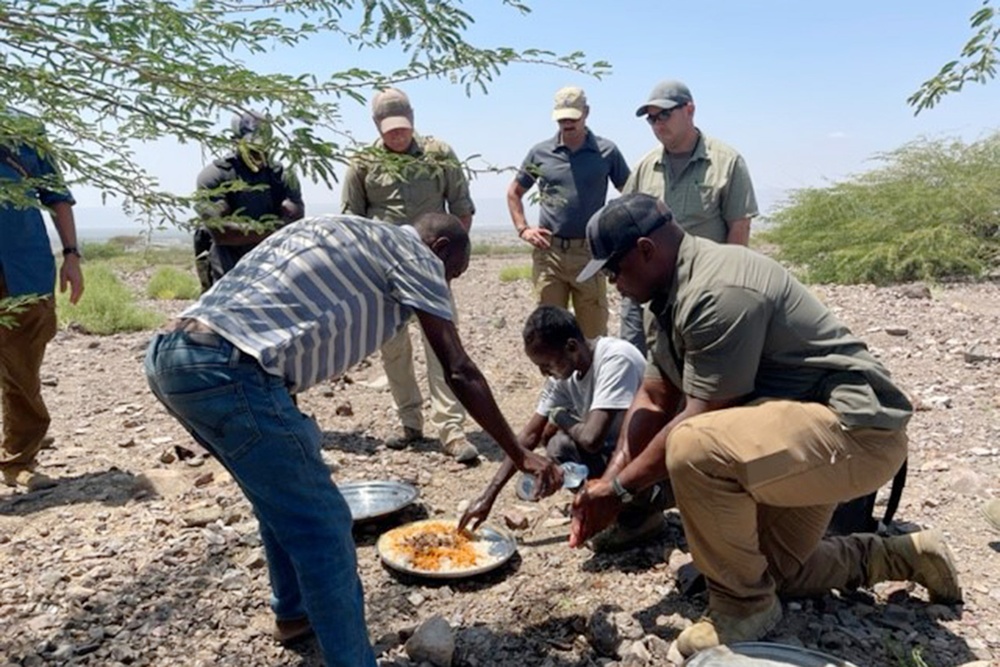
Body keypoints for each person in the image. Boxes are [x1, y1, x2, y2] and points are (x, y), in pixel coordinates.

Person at [144, 212, 563, 667]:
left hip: (175, 357)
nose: (446, 286)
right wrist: (517, 452)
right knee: (324, 524)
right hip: (229, 369)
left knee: (279, 499)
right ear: (439, 248)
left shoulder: (345, 228)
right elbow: (458, 368)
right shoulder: (416, 257)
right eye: (452, 273)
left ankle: (294, 614)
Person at [569, 194, 962, 658]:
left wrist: (620, 493)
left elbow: (702, 418)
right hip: (799, 441)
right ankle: (906, 554)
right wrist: (610, 479)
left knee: (692, 447)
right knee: (774, 572)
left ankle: (742, 608)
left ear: (645, 250)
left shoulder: (719, 290)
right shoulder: (667, 297)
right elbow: (654, 397)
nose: (614, 284)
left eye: (614, 270)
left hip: (855, 435)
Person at [341, 87, 479, 462]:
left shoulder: (439, 154)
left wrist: (450, 262)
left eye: (402, 127)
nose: (397, 135)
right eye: (389, 130)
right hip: (384, 275)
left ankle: (451, 431)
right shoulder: (363, 163)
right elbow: (351, 221)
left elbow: (462, 210)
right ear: (375, 125)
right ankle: (410, 424)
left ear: (413, 119)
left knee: (443, 349)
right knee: (394, 350)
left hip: (431, 271)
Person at [459, 305, 644, 531]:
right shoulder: (563, 377)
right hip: (614, 454)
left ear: (571, 347)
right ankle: (611, 509)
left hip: (649, 464)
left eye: (547, 365)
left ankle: (641, 515)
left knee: (565, 438)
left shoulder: (615, 359)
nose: (544, 373)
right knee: (558, 447)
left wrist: (561, 418)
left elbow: (591, 439)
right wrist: (489, 495)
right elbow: (528, 436)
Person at [618, 80, 757, 355]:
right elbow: (625, 227)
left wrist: (729, 291)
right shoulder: (645, 167)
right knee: (640, 366)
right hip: (651, 295)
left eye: (665, 115)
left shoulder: (727, 162)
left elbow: (739, 230)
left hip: (704, 291)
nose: (658, 124)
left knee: (703, 370)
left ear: (689, 110)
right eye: (651, 119)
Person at [0, 110, 84, 491]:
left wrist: (71, 255)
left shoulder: (26, 130)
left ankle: (19, 459)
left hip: (24, 268)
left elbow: (57, 196)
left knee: (22, 368)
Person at [508, 86, 630, 339]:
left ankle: (595, 379)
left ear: (586, 113)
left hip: (590, 255)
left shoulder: (607, 152)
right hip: (549, 254)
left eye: (573, 118)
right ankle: (555, 380)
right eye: (562, 118)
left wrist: (615, 235)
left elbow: (629, 194)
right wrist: (524, 229)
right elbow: (514, 193)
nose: (567, 124)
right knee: (549, 334)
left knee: (594, 336)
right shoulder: (540, 153)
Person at [194, 110, 304, 291]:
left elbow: (295, 227)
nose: (258, 154)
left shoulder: (282, 176)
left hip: (274, 275)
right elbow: (222, 233)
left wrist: (245, 232)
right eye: (251, 148)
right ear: (235, 141)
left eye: (263, 147)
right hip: (228, 276)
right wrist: (275, 229)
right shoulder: (214, 176)